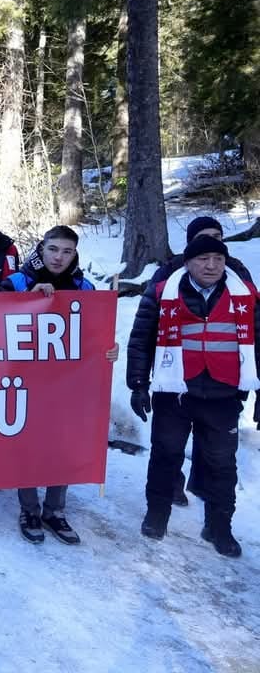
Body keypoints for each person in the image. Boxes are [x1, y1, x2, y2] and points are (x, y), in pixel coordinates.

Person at [126, 235, 259, 558]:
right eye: (203, 259)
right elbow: (140, 339)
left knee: (221, 465)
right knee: (165, 456)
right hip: (175, 393)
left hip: (224, 394)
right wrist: (138, 384)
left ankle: (219, 525)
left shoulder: (246, 297)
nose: (211, 265)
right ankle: (157, 515)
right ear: (187, 263)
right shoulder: (161, 293)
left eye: (217, 258)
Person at [1, 225, 119, 544]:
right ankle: (29, 509)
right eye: (53, 249)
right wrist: (28, 299)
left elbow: (94, 333)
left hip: (67, 382)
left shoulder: (84, 286)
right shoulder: (17, 280)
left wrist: (109, 348)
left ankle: (55, 510)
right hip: (24, 378)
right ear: (42, 248)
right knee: (28, 444)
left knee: (63, 444)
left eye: (67, 251)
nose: (59, 257)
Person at [145, 216, 252, 507]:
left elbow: (249, 326)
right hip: (175, 376)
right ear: (190, 244)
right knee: (169, 446)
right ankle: (171, 490)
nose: (213, 244)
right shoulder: (167, 274)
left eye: (218, 237)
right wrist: (141, 379)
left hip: (224, 380)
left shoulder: (238, 274)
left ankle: (205, 494)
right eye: (204, 239)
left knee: (215, 449)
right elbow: (148, 326)